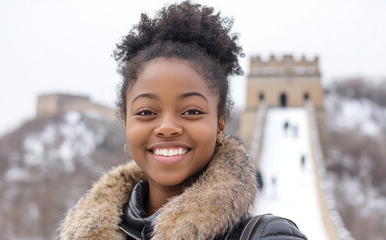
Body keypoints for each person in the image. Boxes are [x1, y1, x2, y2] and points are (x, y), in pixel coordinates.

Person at [58, 1, 307, 239]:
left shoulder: (270, 236)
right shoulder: (78, 234)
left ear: (220, 125)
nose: (167, 127)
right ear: (126, 124)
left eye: (191, 111)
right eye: (146, 112)